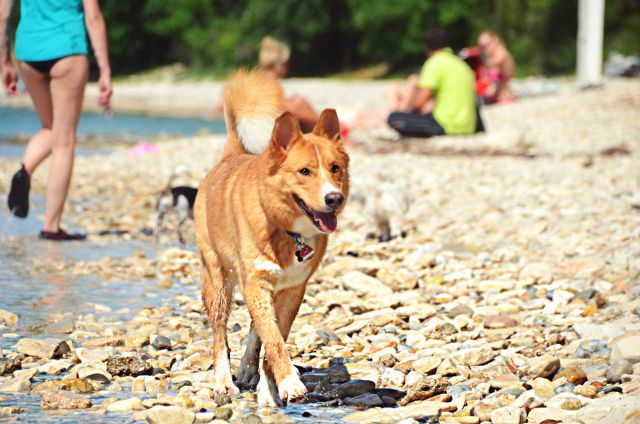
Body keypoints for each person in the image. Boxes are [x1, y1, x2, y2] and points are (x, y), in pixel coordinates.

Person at [1, 0, 113, 240]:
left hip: (28, 53)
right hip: (67, 49)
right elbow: (93, 17)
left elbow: (2, 15)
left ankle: (25, 171)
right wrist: (104, 70)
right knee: (64, 140)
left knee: (50, 129)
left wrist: (5, 62)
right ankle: (51, 227)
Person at [386, 28, 481, 138]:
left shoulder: (435, 62)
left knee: (394, 118)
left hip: (446, 125)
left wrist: (406, 103)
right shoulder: (461, 64)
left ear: (425, 46)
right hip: (469, 126)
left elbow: (420, 102)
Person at [257, 36, 319, 133]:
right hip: (272, 125)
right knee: (301, 104)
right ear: (278, 64)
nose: (287, 67)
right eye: (285, 64)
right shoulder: (270, 81)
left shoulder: (256, 78)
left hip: (261, 123)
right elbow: (280, 106)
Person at [476, 30, 515, 103]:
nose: (484, 49)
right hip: (498, 95)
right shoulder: (494, 56)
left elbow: (493, 64)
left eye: (486, 45)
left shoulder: (501, 53)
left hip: (504, 96)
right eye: (482, 47)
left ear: (495, 40)